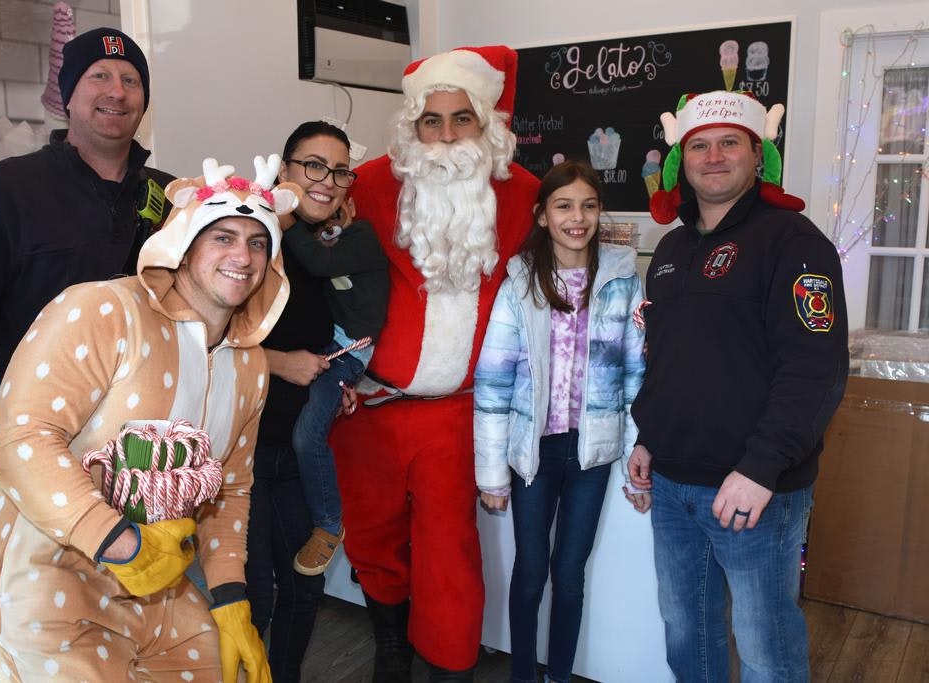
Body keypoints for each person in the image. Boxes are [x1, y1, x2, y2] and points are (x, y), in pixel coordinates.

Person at [0, 155, 297, 682]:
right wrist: (122, 543)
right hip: (48, 574)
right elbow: (17, 439)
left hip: (157, 592)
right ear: (183, 248)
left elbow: (231, 488)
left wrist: (233, 601)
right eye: (223, 237)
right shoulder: (103, 311)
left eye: (258, 242)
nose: (243, 255)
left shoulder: (252, 364)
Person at [330, 46, 540, 681]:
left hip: (458, 411)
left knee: (451, 548)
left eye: (462, 120)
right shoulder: (365, 187)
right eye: (432, 121)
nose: (447, 136)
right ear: (412, 127)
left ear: (487, 123)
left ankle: (451, 662)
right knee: (372, 536)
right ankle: (390, 646)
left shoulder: (525, 194)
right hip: (368, 404)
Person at [629, 91, 849, 682]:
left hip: (756, 491)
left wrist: (759, 469)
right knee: (686, 636)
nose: (714, 156)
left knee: (765, 648)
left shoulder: (794, 242)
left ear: (759, 155)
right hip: (673, 486)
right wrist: (648, 436)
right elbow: (665, 357)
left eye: (731, 142)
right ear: (683, 160)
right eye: (699, 145)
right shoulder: (671, 249)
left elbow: (816, 367)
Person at [0, 27, 173, 505]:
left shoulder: (170, 197)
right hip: (42, 444)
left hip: (151, 449)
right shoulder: (3, 193)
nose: (117, 91)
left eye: (130, 79)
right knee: (44, 579)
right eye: (99, 75)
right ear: (68, 94)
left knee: (148, 575)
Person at [474, 160, 648, 683]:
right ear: (543, 215)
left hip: (593, 453)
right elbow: (493, 381)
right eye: (565, 205)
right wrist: (490, 473)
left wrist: (641, 458)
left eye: (589, 205)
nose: (578, 217)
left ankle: (560, 677)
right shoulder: (520, 282)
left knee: (569, 575)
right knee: (530, 573)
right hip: (535, 454)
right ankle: (523, 675)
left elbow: (637, 375)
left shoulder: (622, 278)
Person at [244, 121, 356, 682]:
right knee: (252, 598)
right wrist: (279, 362)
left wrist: (335, 380)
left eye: (338, 171)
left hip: (293, 452)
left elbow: (322, 338)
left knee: (303, 586)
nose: (326, 180)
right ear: (283, 170)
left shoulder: (314, 251)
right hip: (240, 455)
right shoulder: (247, 242)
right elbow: (194, 338)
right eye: (313, 165)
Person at [282, 162, 389, 577]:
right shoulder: (337, 235)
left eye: (338, 179)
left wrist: (287, 216)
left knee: (307, 436)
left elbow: (318, 262)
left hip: (347, 353)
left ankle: (328, 523)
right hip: (330, 346)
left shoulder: (362, 238)